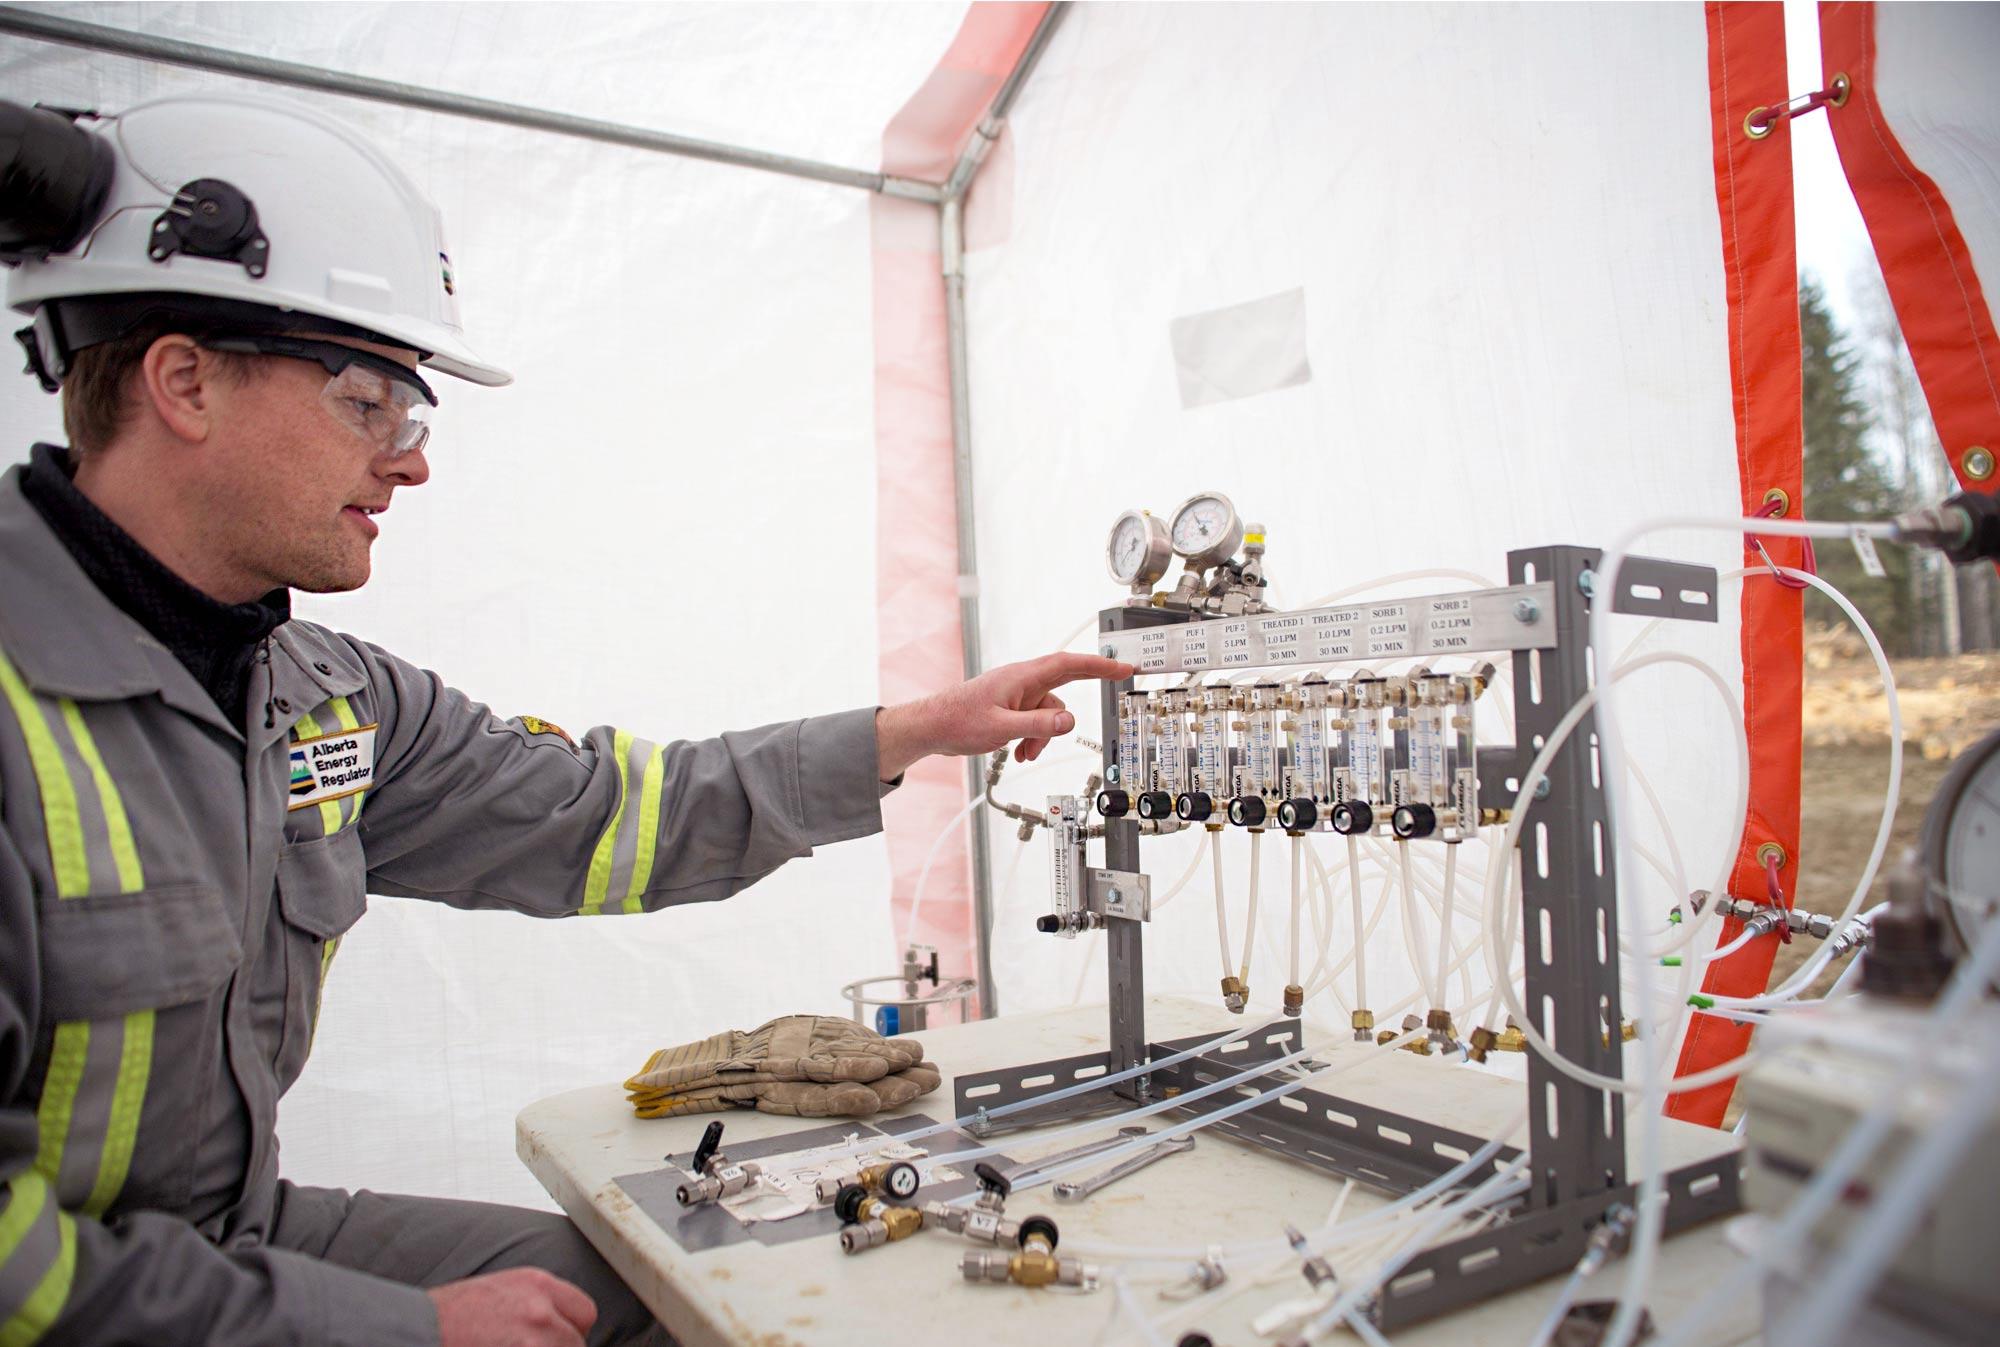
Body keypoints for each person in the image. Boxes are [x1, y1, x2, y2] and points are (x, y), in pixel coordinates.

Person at [0, 94, 1128, 1347]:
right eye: (368, 401)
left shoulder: (322, 697)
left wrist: (908, 732)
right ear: (185, 381)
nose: (410, 461)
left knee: (677, 1295)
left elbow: (596, 816)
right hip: (82, 1286)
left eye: (409, 415)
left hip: (231, 1232)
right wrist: (394, 1329)